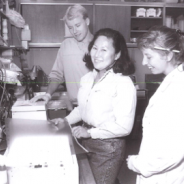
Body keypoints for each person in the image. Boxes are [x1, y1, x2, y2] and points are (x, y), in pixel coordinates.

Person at [52, 28, 137, 184]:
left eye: (104, 50)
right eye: (95, 48)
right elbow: (83, 109)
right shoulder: (87, 78)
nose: (97, 54)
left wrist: (90, 133)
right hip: (85, 141)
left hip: (108, 148)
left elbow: (124, 127)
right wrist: (65, 121)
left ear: (117, 54)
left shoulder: (123, 83)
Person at [127, 25, 184, 184]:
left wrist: (139, 164)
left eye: (149, 56)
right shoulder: (173, 80)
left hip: (165, 176)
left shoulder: (179, 89)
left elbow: (174, 151)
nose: (144, 62)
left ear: (168, 55)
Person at [30, 4, 93, 110]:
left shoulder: (99, 45)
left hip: (97, 107)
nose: (74, 31)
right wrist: (47, 95)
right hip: (75, 108)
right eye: (70, 27)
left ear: (87, 21)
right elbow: (57, 76)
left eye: (78, 25)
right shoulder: (65, 46)